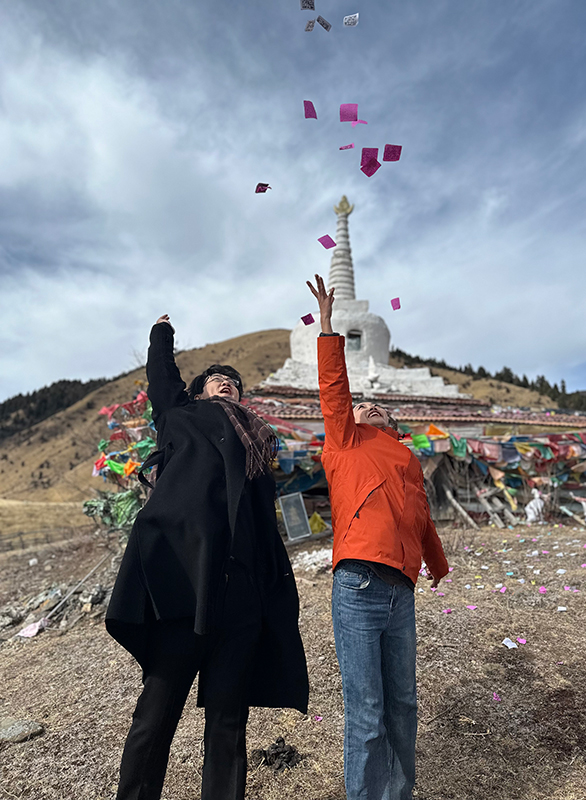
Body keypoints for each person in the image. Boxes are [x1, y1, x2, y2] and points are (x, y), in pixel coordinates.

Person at [106, 314, 308, 800]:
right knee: (155, 715)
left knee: (227, 721)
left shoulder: (257, 441)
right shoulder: (179, 416)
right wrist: (161, 333)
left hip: (241, 596)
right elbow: (161, 376)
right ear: (197, 393)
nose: (228, 383)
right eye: (217, 379)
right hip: (184, 585)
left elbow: (263, 523)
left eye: (235, 383)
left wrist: (266, 593)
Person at [307, 275, 449, 800]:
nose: (365, 407)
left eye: (376, 408)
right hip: (360, 582)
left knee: (404, 704)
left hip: (400, 591)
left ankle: (399, 794)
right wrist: (326, 326)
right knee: (366, 710)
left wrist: (437, 564)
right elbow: (335, 390)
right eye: (360, 407)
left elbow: (420, 516)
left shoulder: (407, 458)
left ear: (392, 424)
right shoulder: (344, 441)